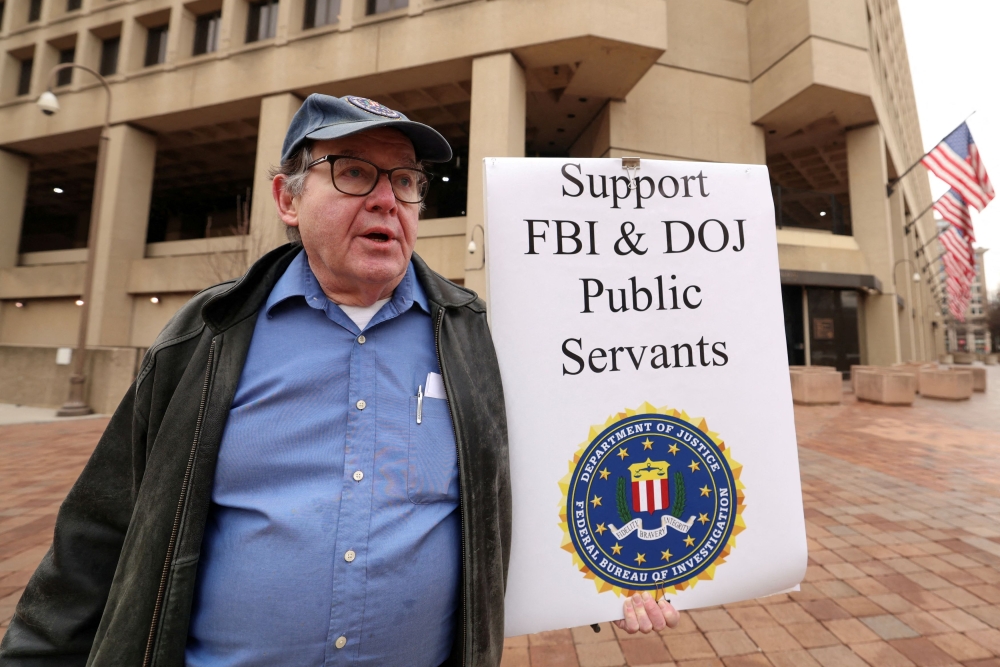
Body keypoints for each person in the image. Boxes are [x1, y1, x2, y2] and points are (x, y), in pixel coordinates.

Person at [0, 94, 678, 667]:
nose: (387, 199)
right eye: (354, 172)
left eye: (405, 180)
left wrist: (609, 572)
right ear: (287, 198)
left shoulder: (473, 338)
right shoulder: (205, 337)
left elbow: (522, 487)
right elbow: (96, 535)